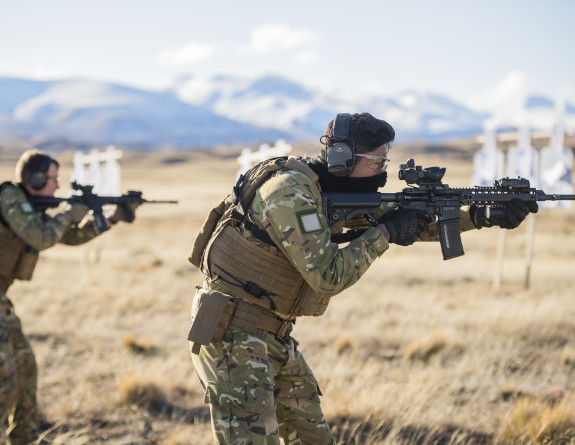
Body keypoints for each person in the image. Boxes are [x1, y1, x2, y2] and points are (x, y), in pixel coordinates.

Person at [187, 112, 538, 445]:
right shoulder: (289, 193)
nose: (383, 170)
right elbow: (328, 275)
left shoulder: (331, 189)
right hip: (233, 335)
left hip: (272, 336)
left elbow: (408, 220)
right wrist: (384, 234)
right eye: (377, 162)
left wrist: (481, 215)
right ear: (342, 158)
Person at [0, 149, 137, 445]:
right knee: (4, 376)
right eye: (53, 179)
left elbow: (68, 237)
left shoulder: (29, 206)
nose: (58, 186)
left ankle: (24, 436)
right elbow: (41, 236)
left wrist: (112, 218)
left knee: (24, 363)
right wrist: (67, 214)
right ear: (35, 179)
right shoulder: (10, 198)